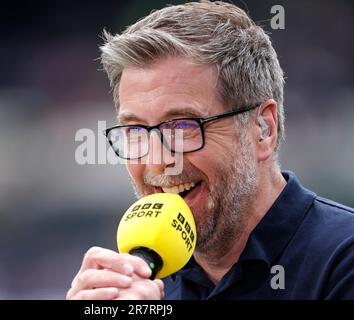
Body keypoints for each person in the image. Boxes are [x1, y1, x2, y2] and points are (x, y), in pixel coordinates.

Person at [66, 0, 354, 300]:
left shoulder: (343, 260)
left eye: (182, 127)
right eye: (136, 131)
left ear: (263, 128)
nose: (157, 160)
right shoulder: (144, 285)